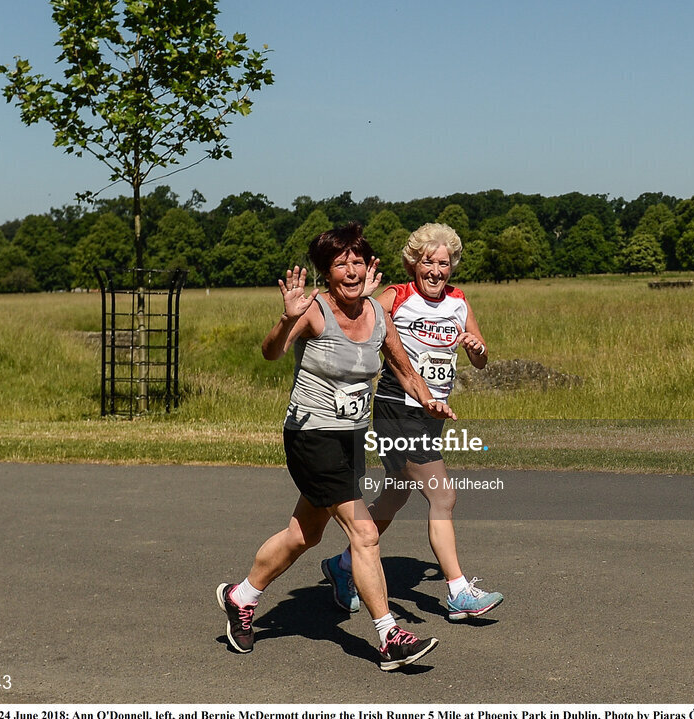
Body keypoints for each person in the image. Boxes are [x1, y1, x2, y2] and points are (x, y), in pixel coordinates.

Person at [216, 222, 456, 671]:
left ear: (369, 269)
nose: (349, 270)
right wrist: (288, 316)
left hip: (349, 439)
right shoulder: (315, 311)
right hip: (310, 435)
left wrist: (428, 398)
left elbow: (403, 370)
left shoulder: (378, 316)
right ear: (326, 273)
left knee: (304, 534)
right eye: (339, 264)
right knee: (363, 533)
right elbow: (270, 353)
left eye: (356, 261)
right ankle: (389, 636)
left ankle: (240, 596)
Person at [321, 223, 504, 621]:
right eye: (427, 262)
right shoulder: (398, 296)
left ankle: (343, 565)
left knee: (397, 494)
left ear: (452, 266)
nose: (435, 271)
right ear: (413, 263)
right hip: (395, 407)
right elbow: (360, 316)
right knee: (443, 496)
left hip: (433, 412)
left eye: (443, 263)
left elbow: (480, 356)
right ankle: (458, 593)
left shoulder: (459, 301)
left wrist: (477, 348)